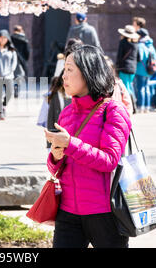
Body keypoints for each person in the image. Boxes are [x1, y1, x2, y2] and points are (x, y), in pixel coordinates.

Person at [44, 44, 132, 248]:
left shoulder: (113, 110)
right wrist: (55, 157)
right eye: (64, 70)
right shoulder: (67, 113)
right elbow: (58, 167)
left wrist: (70, 144)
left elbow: (109, 161)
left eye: (69, 69)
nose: (63, 76)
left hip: (104, 214)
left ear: (88, 72)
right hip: (67, 211)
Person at [0, 29, 18, 120]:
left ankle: (4, 105)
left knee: (9, 93)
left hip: (9, 75)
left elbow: (14, 62)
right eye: (1, 37)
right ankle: (0, 112)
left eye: (5, 38)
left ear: (8, 39)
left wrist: (10, 71)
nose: (2, 39)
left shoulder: (12, 50)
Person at [46, 71, 72, 150]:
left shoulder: (79, 95)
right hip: (59, 135)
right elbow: (51, 118)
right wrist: (49, 144)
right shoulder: (56, 95)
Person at [134, 28, 156, 113]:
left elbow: (139, 57)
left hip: (140, 70)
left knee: (140, 89)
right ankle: (147, 107)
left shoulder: (140, 45)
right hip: (149, 71)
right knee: (146, 88)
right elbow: (155, 57)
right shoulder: (151, 45)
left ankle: (141, 107)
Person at [116, 25, 140, 100]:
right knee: (129, 86)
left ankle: (130, 105)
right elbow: (139, 58)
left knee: (125, 88)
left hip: (124, 68)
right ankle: (134, 104)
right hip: (133, 69)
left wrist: (117, 67)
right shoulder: (136, 45)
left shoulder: (122, 42)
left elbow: (119, 56)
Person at [10, 25, 30, 98]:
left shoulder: (11, 38)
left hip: (12, 59)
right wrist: (25, 59)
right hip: (21, 60)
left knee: (13, 75)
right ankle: (16, 89)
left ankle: (14, 88)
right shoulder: (24, 39)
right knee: (19, 76)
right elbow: (27, 52)